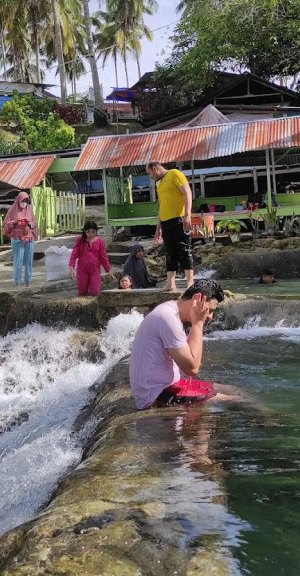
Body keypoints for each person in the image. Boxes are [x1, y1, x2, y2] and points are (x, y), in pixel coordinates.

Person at [129, 279, 239, 409]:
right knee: (237, 400)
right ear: (197, 299)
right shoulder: (167, 318)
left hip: (166, 385)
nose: (210, 316)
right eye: (210, 310)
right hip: (155, 393)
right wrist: (197, 323)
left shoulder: (170, 310)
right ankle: (265, 421)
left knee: (232, 389)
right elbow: (192, 369)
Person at [146, 162, 195, 291]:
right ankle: (170, 283)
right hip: (166, 221)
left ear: (154, 169)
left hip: (179, 218)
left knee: (184, 250)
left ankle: (190, 281)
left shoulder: (174, 174)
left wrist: (187, 214)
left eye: (149, 173)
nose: (150, 177)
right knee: (170, 253)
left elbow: (187, 193)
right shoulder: (160, 184)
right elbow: (162, 206)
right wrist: (158, 227)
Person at [69, 221, 114, 296]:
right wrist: (71, 268)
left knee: (95, 291)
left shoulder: (99, 241)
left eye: (93, 232)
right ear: (84, 231)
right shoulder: (80, 240)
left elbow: (103, 257)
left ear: (96, 231)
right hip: (82, 269)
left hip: (95, 269)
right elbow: (74, 254)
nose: (91, 234)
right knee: (82, 292)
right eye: (88, 232)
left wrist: (109, 270)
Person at [2, 192, 37, 287]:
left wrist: (29, 223)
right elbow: (6, 223)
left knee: (29, 261)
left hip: (29, 238)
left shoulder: (29, 210)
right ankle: (17, 283)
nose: (24, 203)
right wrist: (14, 222)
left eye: (26, 201)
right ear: (18, 200)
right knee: (18, 261)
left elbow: (35, 223)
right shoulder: (12, 210)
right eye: (23, 201)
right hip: (17, 239)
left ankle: (28, 281)